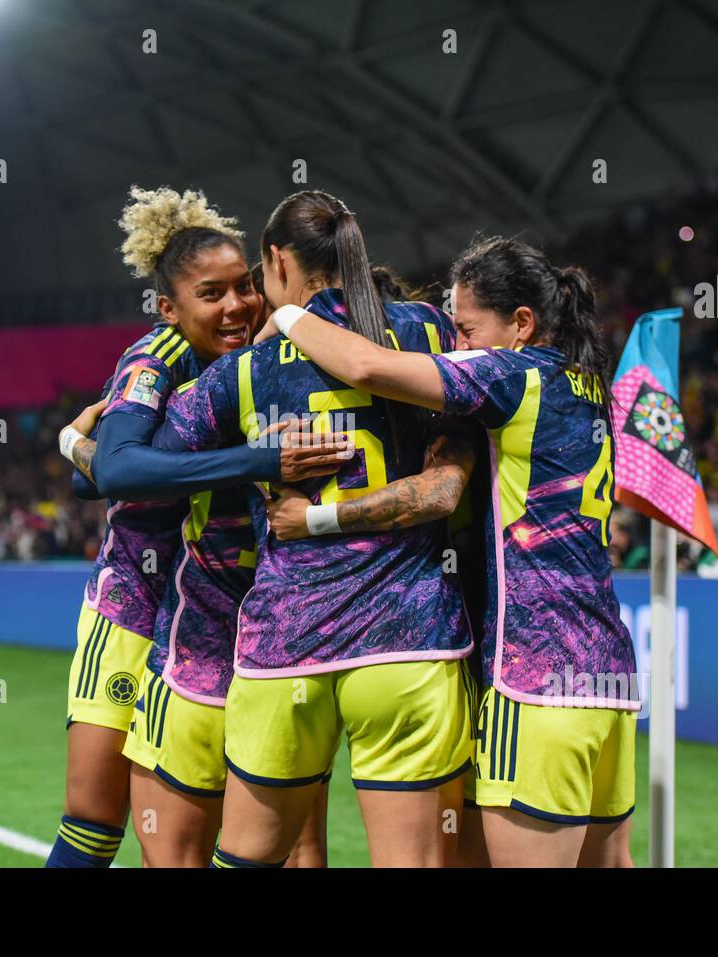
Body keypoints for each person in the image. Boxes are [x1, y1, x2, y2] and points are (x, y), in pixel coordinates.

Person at [258, 235, 639, 867]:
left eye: (465, 330)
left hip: (536, 677)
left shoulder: (511, 375)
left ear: (521, 324)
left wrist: (289, 314)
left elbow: (368, 367)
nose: (454, 346)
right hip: (606, 673)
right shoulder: (586, 384)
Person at [151, 190, 474, 867]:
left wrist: (78, 438)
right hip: (407, 642)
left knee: (246, 860)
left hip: (285, 646)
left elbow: (143, 464)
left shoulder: (243, 371)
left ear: (275, 260)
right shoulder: (427, 330)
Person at [45, 187, 347, 868]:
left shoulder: (280, 347)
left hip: (236, 612)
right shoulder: (155, 362)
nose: (237, 305)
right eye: (212, 294)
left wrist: (76, 448)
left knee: (285, 836)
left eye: (245, 286)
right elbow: (115, 471)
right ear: (169, 309)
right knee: (96, 817)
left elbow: (95, 471)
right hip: (134, 601)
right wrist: (261, 459)